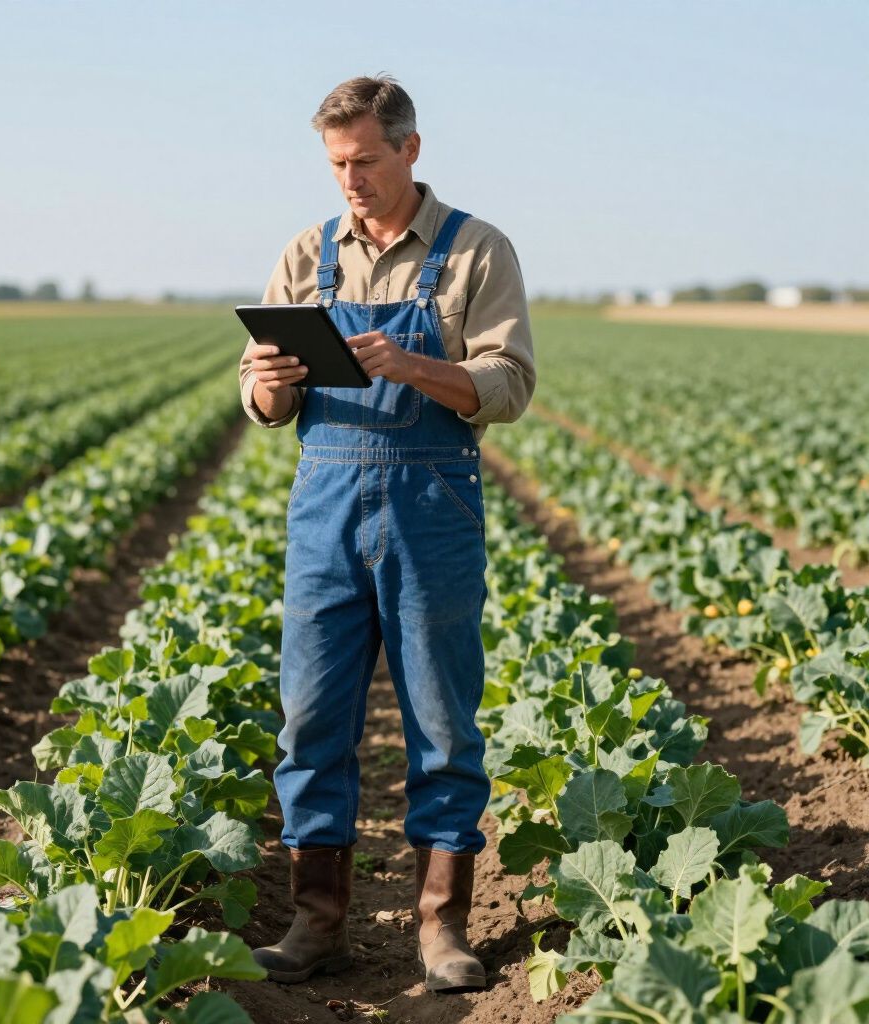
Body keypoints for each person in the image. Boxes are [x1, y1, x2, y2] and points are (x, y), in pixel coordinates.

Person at [237, 74, 535, 993]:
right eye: (337, 164)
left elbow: (511, 384)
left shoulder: (474, 250)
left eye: (366, 159)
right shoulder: (307, 251)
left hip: (429, 506)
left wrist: (413, 365)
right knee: (311, 717)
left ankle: (442, 926)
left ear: (409, 149)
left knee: (442, 722)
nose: (350, 180)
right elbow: (263, 404)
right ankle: (316, 919)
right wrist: (269, 378)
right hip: (324, 509)